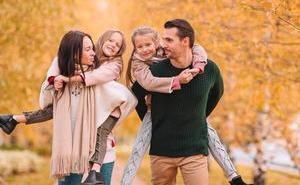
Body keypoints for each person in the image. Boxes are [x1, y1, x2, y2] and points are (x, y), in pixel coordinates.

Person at [0, 30, 137, 185]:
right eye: (111, 40)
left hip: (101, 150)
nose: (113, 45)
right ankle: (13, 119)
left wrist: (109, 119)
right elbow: (48, 104)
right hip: (73, 150)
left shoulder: (107, 74)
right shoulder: (71, 72)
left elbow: (126, 98)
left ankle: (13, 119)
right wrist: (55, 81)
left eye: (118, 45)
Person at [122, 26, 250, 185]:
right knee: (139, 146)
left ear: (157, 43)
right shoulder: (141, 65)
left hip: (193, 144)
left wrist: (198, 67)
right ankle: (125, 181)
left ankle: (233, 176)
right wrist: (154, 113)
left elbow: (197, 49)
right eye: (139, 46)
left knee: (207, 128)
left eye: (148, 45)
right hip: (155, 119)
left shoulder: (167, 51)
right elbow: (141, 90)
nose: (144, 49)